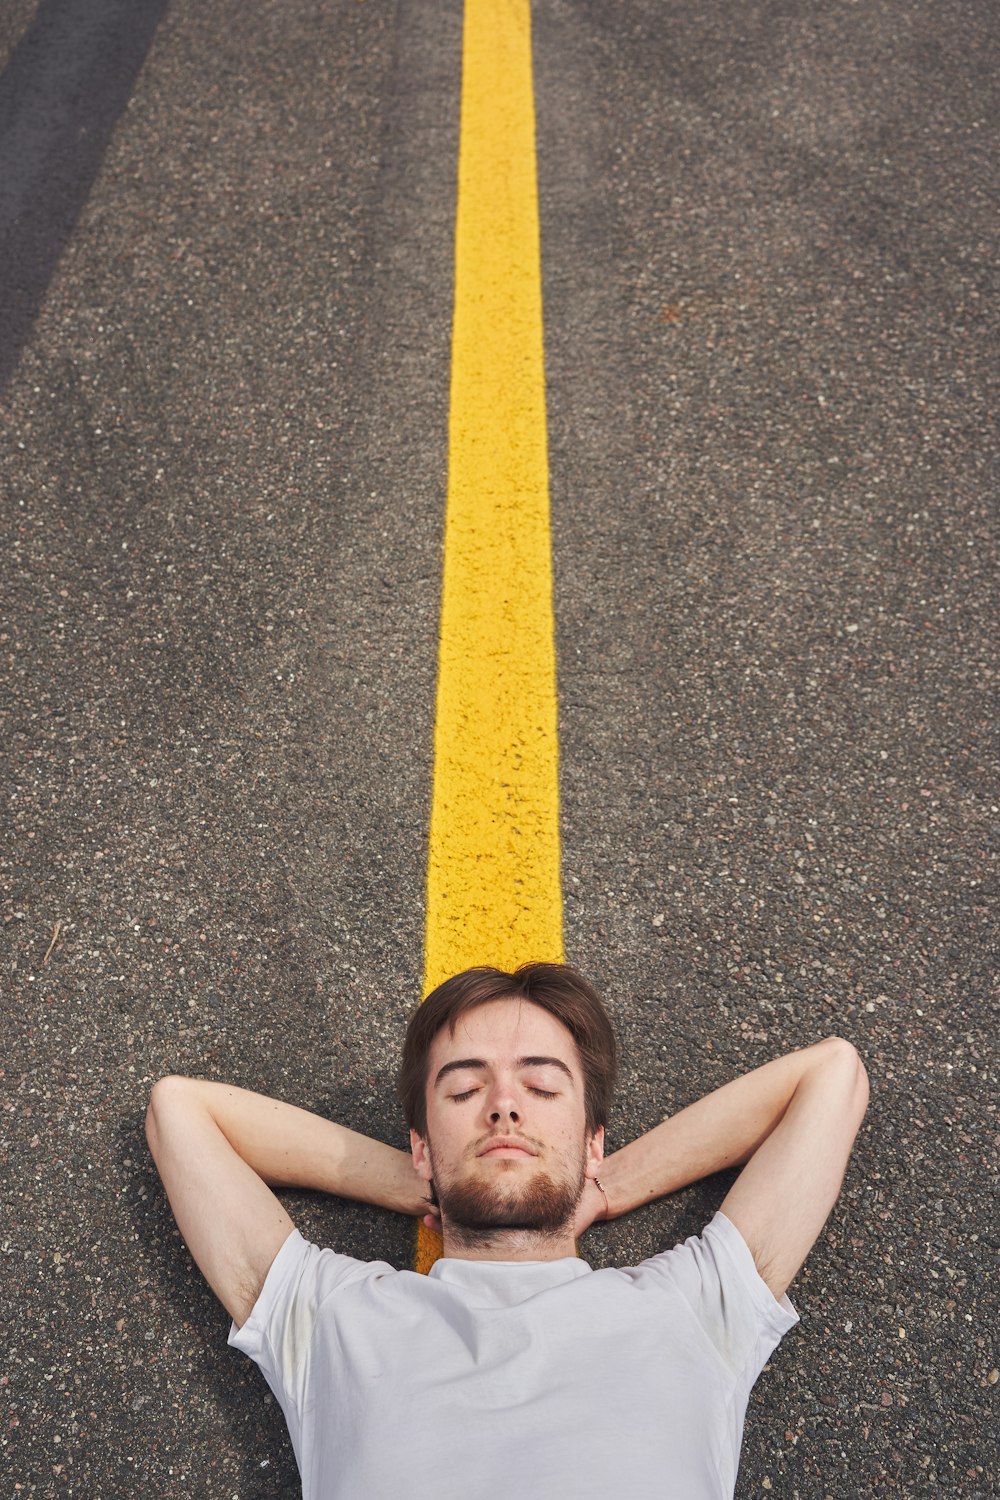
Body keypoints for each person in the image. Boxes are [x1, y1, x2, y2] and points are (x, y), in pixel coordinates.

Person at [145, 961, 869, 1499]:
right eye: (463, 1089)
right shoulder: (330, 1316)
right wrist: (420, 1174)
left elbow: (832, 1077)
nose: (504, 1107)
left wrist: (605, 1185)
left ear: (593, 1139)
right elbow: (179, 1113)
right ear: (421, 1139)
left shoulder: (695, 1306)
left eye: (543, 1086)